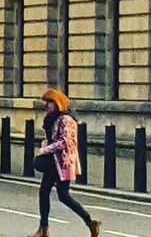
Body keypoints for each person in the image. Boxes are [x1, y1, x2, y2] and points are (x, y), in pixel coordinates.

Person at [30, 88, 100, 237]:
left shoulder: (66, 120)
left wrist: (46, 149)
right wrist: (45, 144)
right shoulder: (51, 118)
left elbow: (65, 141)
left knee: (63, 195)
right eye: (46, 102)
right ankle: (43, 229)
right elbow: (52, 138)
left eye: (50, 102)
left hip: (63, 162)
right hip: (52, 161)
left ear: (57, 103)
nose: (47, 105)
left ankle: (90, 221)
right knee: (43, 192)